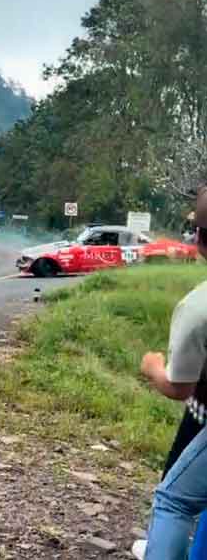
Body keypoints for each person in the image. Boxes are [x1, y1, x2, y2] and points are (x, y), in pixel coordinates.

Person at [136, 187, 207, 559]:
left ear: (198, 239)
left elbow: (179, 388)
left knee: (174, 502)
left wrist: (152, 368)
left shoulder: (197, 308)